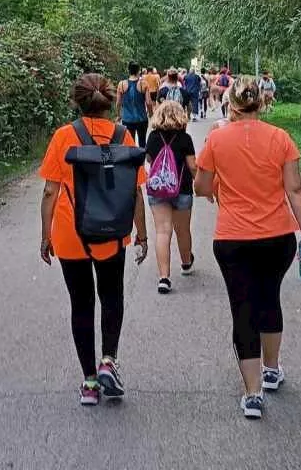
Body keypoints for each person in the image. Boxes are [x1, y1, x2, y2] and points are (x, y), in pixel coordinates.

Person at [194, 76, 301, 420]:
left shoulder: (217, 139)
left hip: (233, 239)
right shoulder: (281, 139)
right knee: (269, 298)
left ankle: (252, 395)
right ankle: (272, 370)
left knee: (243, 307)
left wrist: (221, 182)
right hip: (278, 238)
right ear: (262, 104)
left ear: (230, 105)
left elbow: (202, 186)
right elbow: (295, 190)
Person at [39, 74, 149, 405]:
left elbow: (49, 191)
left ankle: (88, 383)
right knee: (112, 297)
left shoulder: (63, 137)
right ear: (110, 101)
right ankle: (108, 362)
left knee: (81, 303)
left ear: (77, 101)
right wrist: (141, 234)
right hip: (112, 233)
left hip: (71, 234)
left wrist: (46, 236)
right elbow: (136, 190)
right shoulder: (123, 135)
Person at [145, 100, 197, 293]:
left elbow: (150, 159)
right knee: (183, 230)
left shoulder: (153, 137)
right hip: (182, 189)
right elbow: (192, 166)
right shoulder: (185, 139)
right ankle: (186, 263)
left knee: (162, 231)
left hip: (159, 189)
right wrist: (200, 184)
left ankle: (164, 277)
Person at [116, 62, 150, 147]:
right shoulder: (144, 84)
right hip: (142, 119)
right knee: (142, 142)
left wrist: (118, 115)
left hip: (127, 119)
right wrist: (151, 113)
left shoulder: (122, 84)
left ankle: (132, 159)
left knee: (130, 143)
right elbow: (149, 102)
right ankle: (141, 160)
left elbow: (118, 103)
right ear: (139, 71)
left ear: (129, 71)